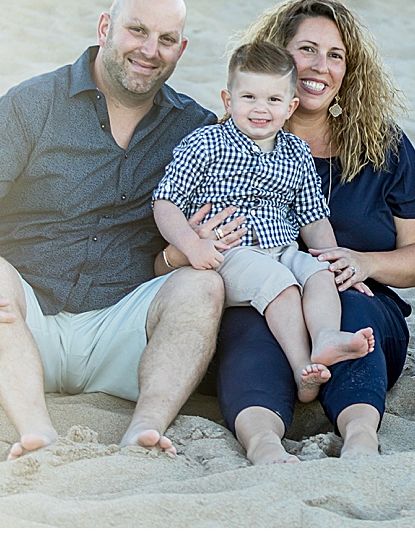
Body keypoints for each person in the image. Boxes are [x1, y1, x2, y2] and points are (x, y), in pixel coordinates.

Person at [0, 0, 241, 460]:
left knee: (203, 288)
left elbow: (251, 187)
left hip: (123, 334)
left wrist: (180, 252)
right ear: (105, 27)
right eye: (136, 30)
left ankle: (144, 431)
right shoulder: (32, 104)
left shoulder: (195, 129)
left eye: (165, 40)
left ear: (181, 49)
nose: (148, 50)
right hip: (21, 327)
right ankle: (37, 434)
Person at [163, 0, 415, 464]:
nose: (321, 65)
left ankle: (360, 437)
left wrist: (362, 262)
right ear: (279, 56)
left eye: (336, 55)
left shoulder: (384, 146)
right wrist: (187, 249)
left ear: (348, 70)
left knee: (353, 313)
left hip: (360, 306)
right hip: (251, 296)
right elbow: (165, 252)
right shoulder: (221, 142)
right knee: (249, 325)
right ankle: (263, 443)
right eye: (307, 49)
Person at [152, 40, 374, 404]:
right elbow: (165, 201)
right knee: (283, 285)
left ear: (290, 107)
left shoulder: (295, 152)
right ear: (228, 100)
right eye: (249, 97)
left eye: (273, 100)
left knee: (317, 274)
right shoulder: (206, 144)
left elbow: (313, 217)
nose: (260, 109)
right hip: (230, 254)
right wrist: (191, 245)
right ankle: (304, 369)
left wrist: (337, 262)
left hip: (282, 248)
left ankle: (325, 338)